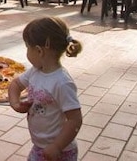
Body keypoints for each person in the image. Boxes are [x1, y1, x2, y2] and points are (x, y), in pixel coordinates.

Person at [9, 17, 83, 161]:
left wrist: (57, 146)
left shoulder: (62, 83)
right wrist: (15, 104)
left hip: (60, 152)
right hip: (39, 147)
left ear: (39, 50)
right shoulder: (35, 72)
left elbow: (75, 120)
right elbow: (15, 85)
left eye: (27, 48)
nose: (26, 52)